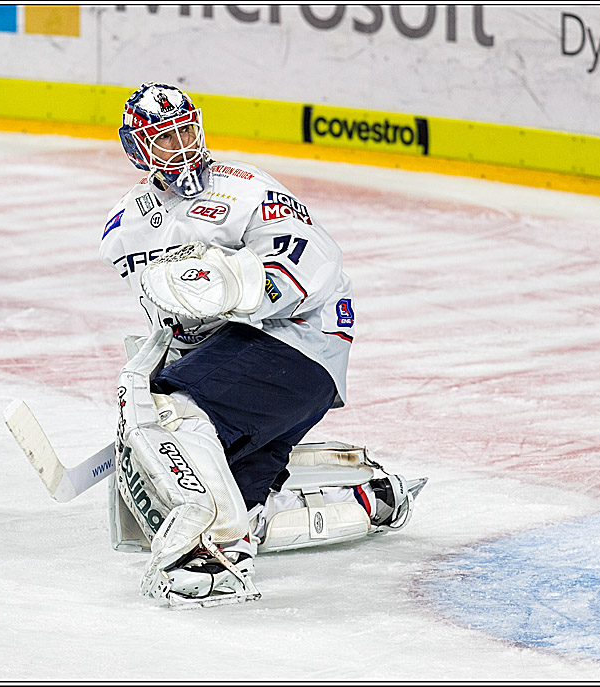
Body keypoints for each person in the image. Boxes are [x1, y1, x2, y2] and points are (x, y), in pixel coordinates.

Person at [100, 82, 422, 607]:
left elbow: (313, 263)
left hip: (297, 340)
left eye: (187, 131)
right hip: (266, 359)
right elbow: (175, 314)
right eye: (165, 138)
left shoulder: (245, 189)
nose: (182, 146)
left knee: (174, 413)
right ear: (137, 148)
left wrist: (235, 286)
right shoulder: (124, 227)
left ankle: (210, 555)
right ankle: (366, 500)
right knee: (213, 483)